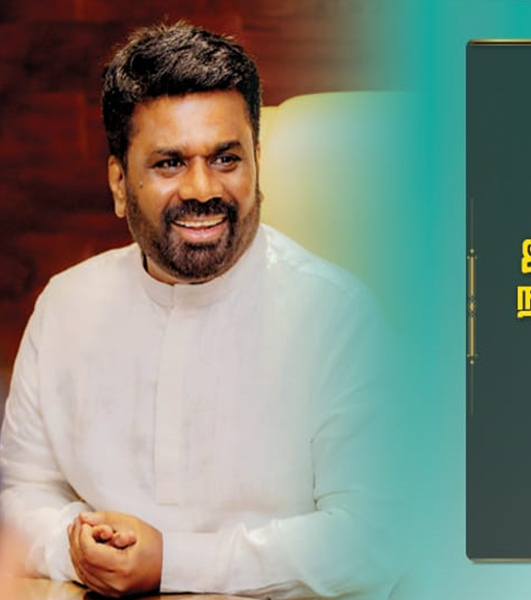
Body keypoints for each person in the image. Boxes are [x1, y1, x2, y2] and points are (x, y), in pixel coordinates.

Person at [0, 22, 396, 599]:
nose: (202, 187)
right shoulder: (65, 306)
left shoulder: (339, 318)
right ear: (118, 182)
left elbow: (372, 539)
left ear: (257, 161)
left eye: (226, 158)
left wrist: (173, 562)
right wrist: (72, 546)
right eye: (169, 163)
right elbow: (20, 490)